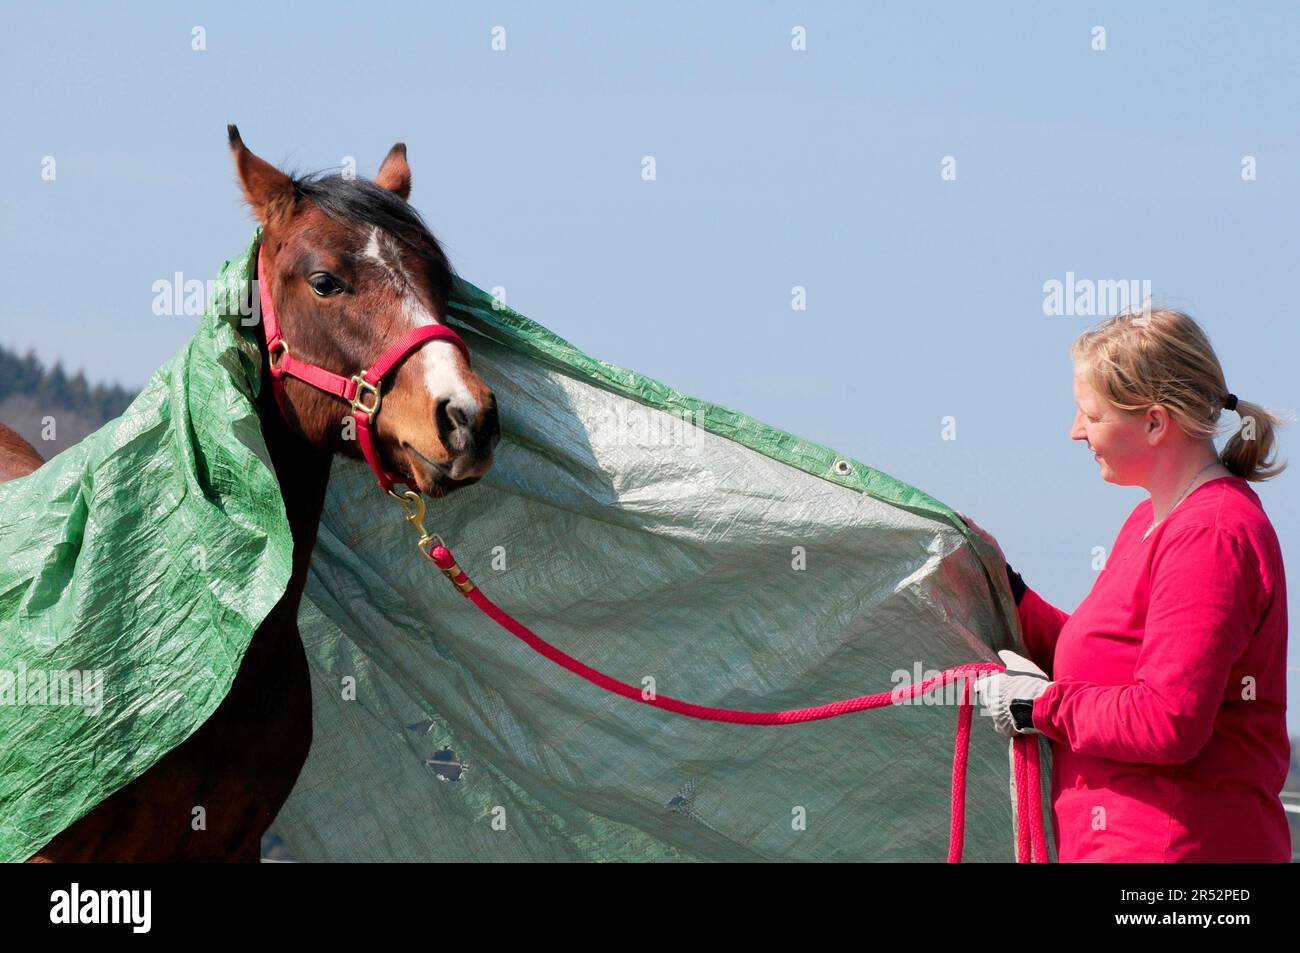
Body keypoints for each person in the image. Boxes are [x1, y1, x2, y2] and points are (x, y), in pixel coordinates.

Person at [968, 308, 1291, 862]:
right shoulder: (1154, 518)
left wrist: (1037, 706)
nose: (1075, 431)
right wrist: (1002, 588)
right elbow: (1106, 659)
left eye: (1091, 415)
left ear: (1155, 423)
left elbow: (1167, 721)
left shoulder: (1209, 535)